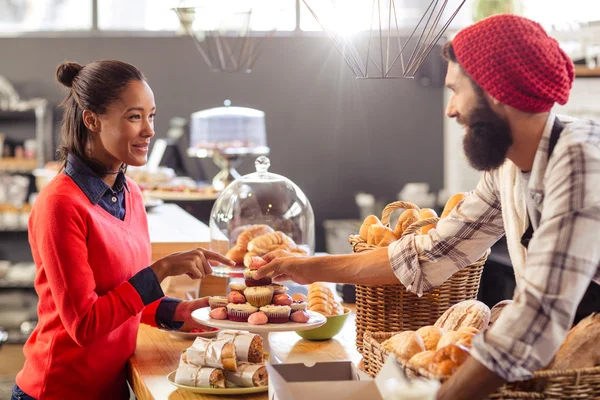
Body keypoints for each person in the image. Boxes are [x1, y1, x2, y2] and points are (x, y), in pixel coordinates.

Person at [254, 14, 600, 400]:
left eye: (456, 90)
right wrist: (306, 268)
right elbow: (431, 253)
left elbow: (537, 316)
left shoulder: (580, 157)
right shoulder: (507, 166)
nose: (450, 110)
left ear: (495, 90)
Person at [12, 60, 235, 400]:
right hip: (58, 391)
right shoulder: (59, 204)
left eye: (151, 116)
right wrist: (160, 270)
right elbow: (85, 325)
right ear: (92, 120)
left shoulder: (131, 193)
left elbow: (121, 296)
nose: (149, 130)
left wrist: (180, 312)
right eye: (134, 117)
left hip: (111, 389)